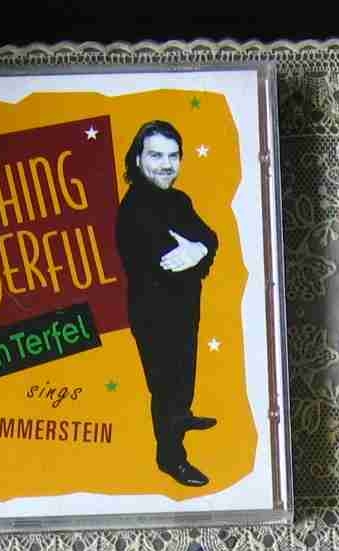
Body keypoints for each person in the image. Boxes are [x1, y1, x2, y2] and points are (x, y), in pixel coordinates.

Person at [114, 120, 220, 488]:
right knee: (165, 386)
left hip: (185, 306)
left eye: (173, 156)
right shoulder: (134, 208)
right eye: (156, 155)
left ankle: (182, 416)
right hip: (153, 314)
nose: (166, 165)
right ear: (138, 159)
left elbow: (209, 237)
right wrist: (195, 253)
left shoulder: (179, 200)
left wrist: (198, 250)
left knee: (185, 372)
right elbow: (166, 261)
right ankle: (171, 458)